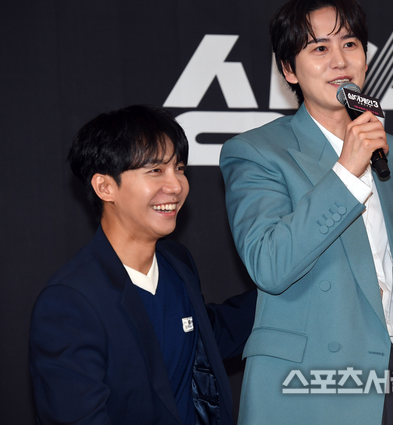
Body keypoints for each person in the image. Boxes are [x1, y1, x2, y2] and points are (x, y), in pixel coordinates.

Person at [219, 0, 393, 425]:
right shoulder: (258, 152)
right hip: (306, 385)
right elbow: (269, 263)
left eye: (350, 44)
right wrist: (347, 170)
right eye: (319, 48)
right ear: (289, 69)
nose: (339, 60)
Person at [29, 105, 256, 425]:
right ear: (105, 187)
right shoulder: (69, 303)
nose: (176, 185)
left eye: (179, 168)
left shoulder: (176, 263)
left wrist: (296, 286)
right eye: (155, 170)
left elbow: (203, 336)